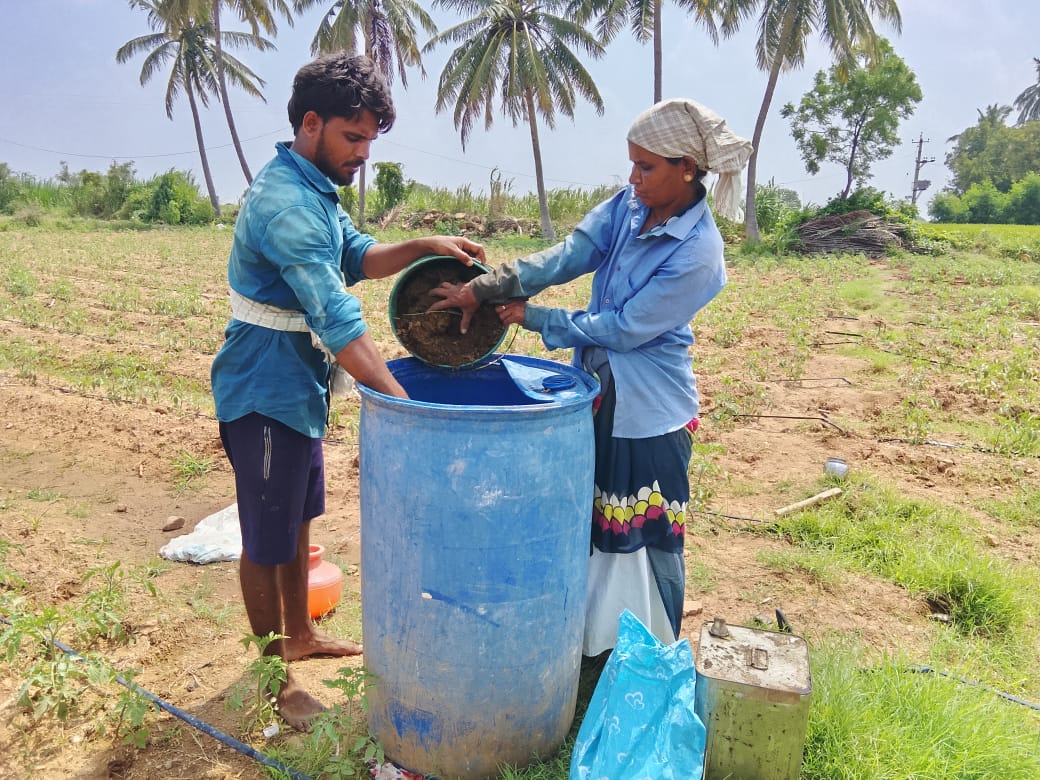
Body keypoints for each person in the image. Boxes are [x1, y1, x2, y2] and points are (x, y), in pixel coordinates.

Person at [210, 53, 485, 731]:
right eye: (352, 137)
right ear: (311, 123)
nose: (362, 153)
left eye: (369, 140)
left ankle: (301, 632)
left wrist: (422, 245)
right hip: (264, 388)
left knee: (298, 519)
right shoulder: (286, 205)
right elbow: (337, 320)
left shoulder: (314, 188)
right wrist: (402, 403)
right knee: (265, 538)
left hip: (298, 384)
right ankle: (277, 681)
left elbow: (356, 255)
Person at [430, 98, 752, 660]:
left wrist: (537, 318)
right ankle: (590, 647)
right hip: (599, 386)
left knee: (640, 529)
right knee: (594, 512)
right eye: (632, 164)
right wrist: (488, 285)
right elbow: (571, 254)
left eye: (646, 167)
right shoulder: (630, 206)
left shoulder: (700, 253)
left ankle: (642, 652)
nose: (633, 178)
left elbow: (626, 329)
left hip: (649, 407)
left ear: (687, 168)